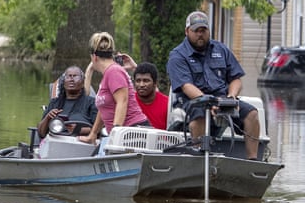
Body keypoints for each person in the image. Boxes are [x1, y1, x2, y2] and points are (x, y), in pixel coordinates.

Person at [166, 11, 261, 159]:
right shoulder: (177, 55)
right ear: (187, 32)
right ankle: (199, 159)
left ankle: (253, 160)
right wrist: (208, 102)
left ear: (209, 31)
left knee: (252, 114)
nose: (200, 34)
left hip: (222, 98)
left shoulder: (221, 49)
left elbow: (236, 79)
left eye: (203, 30)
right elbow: (186, 86)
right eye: (196, 31)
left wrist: (231, 97)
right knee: (200, 116)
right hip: (191, 100)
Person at [81, 32, 149, 147]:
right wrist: (93, 134)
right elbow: (104, 109)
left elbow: (122, 102)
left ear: (94, 57)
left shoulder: (114, 71)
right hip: (124, 133)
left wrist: (115, 135)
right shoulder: (107, 74)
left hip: (133, 132)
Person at [38, 65, 97, 138]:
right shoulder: (55, 102)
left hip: (80, 143)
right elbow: (41, 134)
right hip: (55, 142)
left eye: (75, 76)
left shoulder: (91, 103)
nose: (71, 79)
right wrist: (48, 118)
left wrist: (79, 130)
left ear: (82, 83)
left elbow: (99, 130)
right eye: (68, 76)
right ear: (63, 82)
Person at [133, 62, 170, 130]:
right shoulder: (130, 102)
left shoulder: (168, 104)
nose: (141, 85)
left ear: (155, 83)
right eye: (138, 81)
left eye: (146, 81)